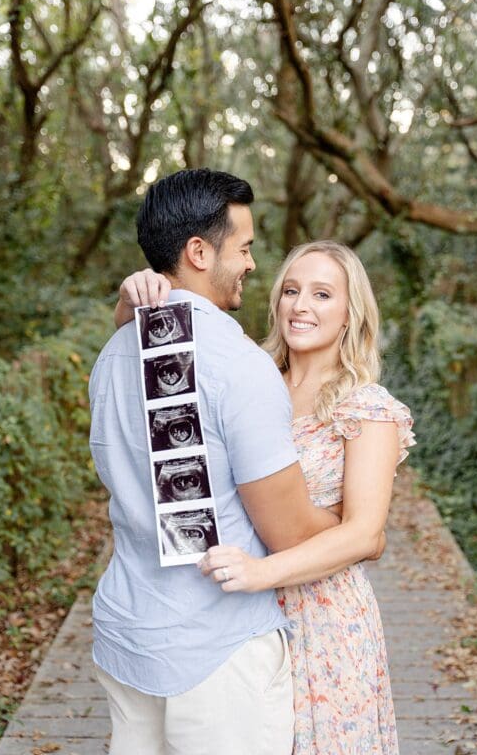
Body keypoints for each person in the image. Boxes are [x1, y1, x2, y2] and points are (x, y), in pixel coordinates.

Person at [116, 240, 412, 754]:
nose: (301, 306)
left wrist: (262, 572)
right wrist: (129, 304)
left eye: (322, 294)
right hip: (229, 616)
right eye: (291, 291)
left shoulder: (367, 408)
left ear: (350, 313)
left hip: (324, 616)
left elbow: (365, 533)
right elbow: (148, 378)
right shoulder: (246, 374)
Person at [88, 168, 346, 755]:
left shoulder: (114, 352)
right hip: (218, 656)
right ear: (199, 252)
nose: (252, 263)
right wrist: (353, 525)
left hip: (129, 634)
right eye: (245, 247)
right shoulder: (238, 363)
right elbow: (288, 534)